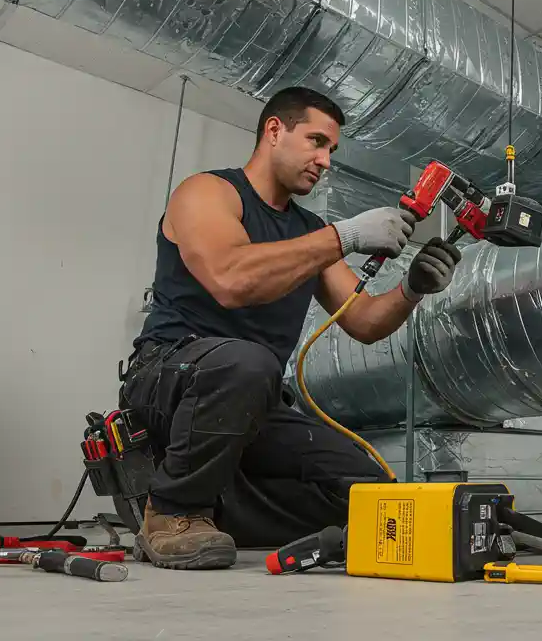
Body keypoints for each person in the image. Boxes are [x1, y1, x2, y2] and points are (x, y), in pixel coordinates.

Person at [118, 86, 462, 570]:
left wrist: (412, 288)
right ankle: (172, 512)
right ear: (274, 131)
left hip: (251, 396)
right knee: (247, 361)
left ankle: (214, 511)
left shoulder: (308, 230)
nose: (325, 161)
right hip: (168, 378)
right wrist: (343, 236)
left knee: (368, 495)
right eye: (317, 142)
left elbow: (363, 321)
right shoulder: (208, 193)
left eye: (332, 150)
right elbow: (231, 278)